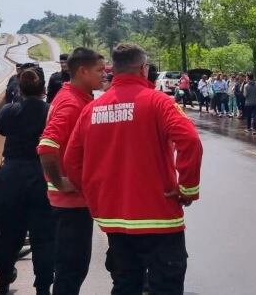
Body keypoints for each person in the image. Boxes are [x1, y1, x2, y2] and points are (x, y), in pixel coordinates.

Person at [64, 43, 203, 295]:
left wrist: (95, 195)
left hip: (115, 221)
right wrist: (187, 189)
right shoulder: (159, 102)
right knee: (165, 286)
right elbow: (190, 140)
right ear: (142, 69)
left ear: (113, 70)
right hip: (159, 218)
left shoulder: (91, 110)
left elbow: (72, 161)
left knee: (125, 285)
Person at [37, 47, 105, 294]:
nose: (104, 74)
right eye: (99, 70)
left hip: (73, 202)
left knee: (71, 268)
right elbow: (46, 146)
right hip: (70, 204)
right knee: (71, 270)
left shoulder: (74, 97)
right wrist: (60, 181)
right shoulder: (72, 104)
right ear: (82, 71)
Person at [0, 68, 54, 295]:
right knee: (44, 237)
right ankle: (43, 287)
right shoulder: (50, 112)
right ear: (44, 90)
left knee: (8, 233)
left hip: (10, 178)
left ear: (20, 89)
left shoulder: (9, 111)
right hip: (40, 176)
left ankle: (4, 278)